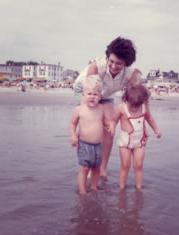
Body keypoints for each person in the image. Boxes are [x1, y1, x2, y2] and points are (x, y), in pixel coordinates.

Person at [73, 36, 142, 178]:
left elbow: (133, 103)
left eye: (119, 64)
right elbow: (90, 96)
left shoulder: (131, 74)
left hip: (107, 93)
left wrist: (138, 130)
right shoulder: (96, 66)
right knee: (91, 123)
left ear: (126, 63)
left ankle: (102, 168)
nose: (114, 66)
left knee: (109, 128)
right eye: (111, 61)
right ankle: (87, 168)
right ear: (108, 57)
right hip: (87, 90)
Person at [109, 84, 162, 190]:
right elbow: (114, 120)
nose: (134, 108)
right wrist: (112, 127)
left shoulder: (144, 107)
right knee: (125, 165)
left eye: (137, 105)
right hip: (125, 141)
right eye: (132, 104)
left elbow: (149, 118)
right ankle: (121, 188)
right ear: (126, 99)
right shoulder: (121, 108)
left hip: (139, 141)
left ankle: (139, 188)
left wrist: (156, 130)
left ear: (142, 101)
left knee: (138, 165)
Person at [69, 75, 104, 194]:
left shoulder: (101, 108)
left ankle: (94, 187)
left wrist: (111, 126)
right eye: (89, 93)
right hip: (84, 144)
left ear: (100, 97)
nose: (92, 97)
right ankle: (82, 192)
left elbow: (106, 122)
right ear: (83, 94)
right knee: (84, 168)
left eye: (95, 94)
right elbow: (72, 123)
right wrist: (73, 136)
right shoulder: (79, 109)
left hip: (98, 146)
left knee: (96, 169)